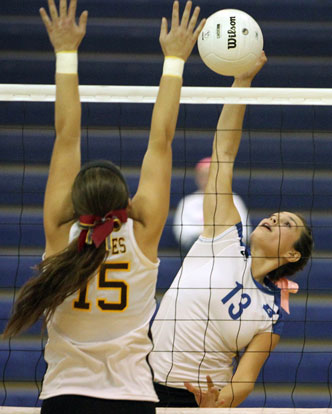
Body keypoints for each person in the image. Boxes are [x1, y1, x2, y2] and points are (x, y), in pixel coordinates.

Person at [3, 1, 205, 413]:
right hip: (130, 399)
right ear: (128, 203)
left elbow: (66, 136)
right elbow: (161, 140)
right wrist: (175, 60)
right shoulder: (143, 230)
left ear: (75, 203)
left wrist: (64, 51)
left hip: (65, 398)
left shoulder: (61, 233)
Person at [150, 52, 313, 408]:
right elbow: (223, 151)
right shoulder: (222, 237)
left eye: (286, 224)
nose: (272, 219)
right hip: (139, 383)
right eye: (275, 215)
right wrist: (242, 82)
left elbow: (244, 382)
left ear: (292, 254)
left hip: (195, 401)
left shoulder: (272, 313)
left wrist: (218, 402)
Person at [173, 156, 252, 253]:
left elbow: (246, 232)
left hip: (228, 250)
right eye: (203, 176)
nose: (207, 179)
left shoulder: (233, 199)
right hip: (197, 250)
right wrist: (210, 236)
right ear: (197, 178)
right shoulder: (188, 202)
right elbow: (182, 234)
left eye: (211, 175)